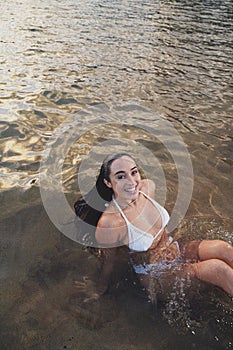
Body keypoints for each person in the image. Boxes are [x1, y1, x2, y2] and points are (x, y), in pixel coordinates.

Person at [74, 153, 233, 302]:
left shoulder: (147, 188)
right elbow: (109, 261)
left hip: (176, 251)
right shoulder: (111, 222)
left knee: (223, 248)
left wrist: (173, 250)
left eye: (134, 172)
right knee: (217, 268)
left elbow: (159, 230)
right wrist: (100, 288)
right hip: (157, 276)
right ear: (108, 183)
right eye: (121, 176)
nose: (132, 181)